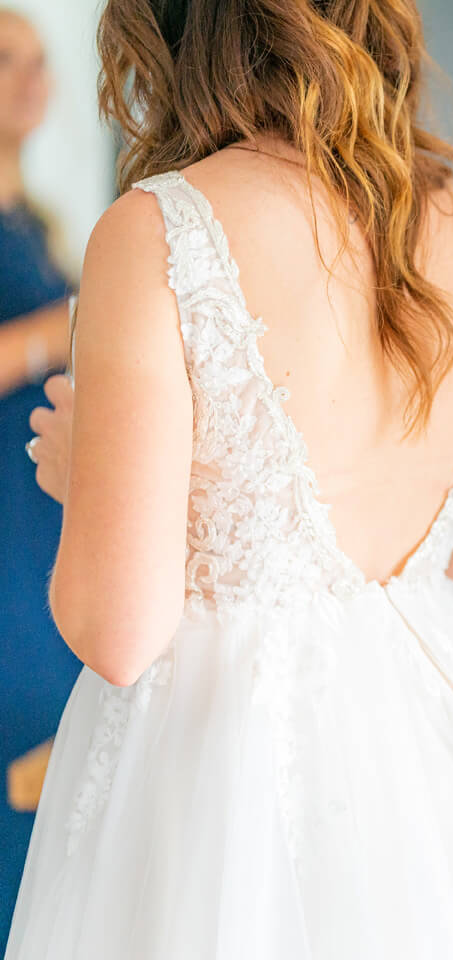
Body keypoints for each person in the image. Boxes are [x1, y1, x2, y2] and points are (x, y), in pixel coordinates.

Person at [9, 1, 453, 956]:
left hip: (225, 774)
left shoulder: (156, 228)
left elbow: (118, 632)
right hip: (443, 735)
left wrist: (90, 479)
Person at [0, 9, 78, 944]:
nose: (29, 76)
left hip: (44, 534)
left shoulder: (36, 226)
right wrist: (60, 327)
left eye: (36, 59)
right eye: (3, 58)